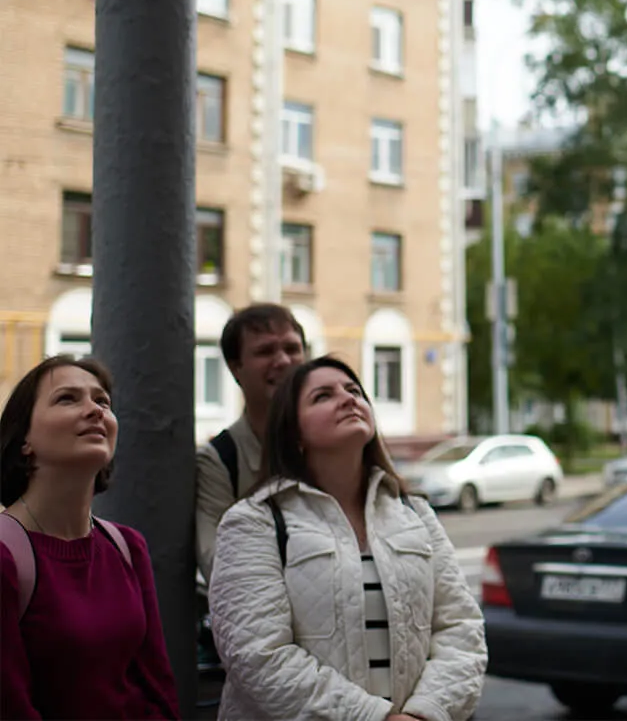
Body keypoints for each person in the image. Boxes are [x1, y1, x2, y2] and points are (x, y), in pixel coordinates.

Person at [208, 355, 487, 721]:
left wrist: (426, 712)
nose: (347, 399)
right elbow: (257, 655)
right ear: (293, 433)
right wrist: (373, 717)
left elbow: (461, 629)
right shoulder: (254, 522)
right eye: (323, 396)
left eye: (354, 390)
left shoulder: (415, 513)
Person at [0, 355, 179, 720]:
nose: (95, 410)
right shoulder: (5, 556)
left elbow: (158, 688)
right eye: (68, 398)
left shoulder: (128, 547)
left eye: (102, 401)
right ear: (24, 440)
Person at [195, 303, 306, 581]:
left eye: (292, 349)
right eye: (265, 351)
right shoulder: (220, 460)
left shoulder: (336, 440)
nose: (282, 361)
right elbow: (217, 563)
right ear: (236, 368)